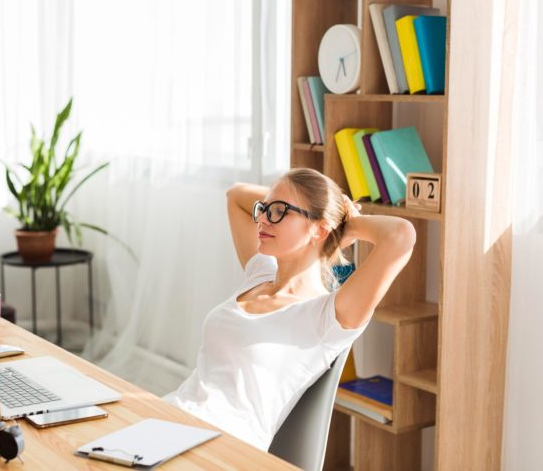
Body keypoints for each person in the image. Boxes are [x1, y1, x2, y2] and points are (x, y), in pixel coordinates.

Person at [163, 167, 416, 450]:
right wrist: (285, 203)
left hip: (223, 448)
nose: (261, 219)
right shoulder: (260, 274)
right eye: (264, 209)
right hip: (171, 419)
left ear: (320, 228)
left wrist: (347, 223)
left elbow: (401, 235)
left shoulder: (327, 316)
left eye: (279, 211)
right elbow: (236, 195)